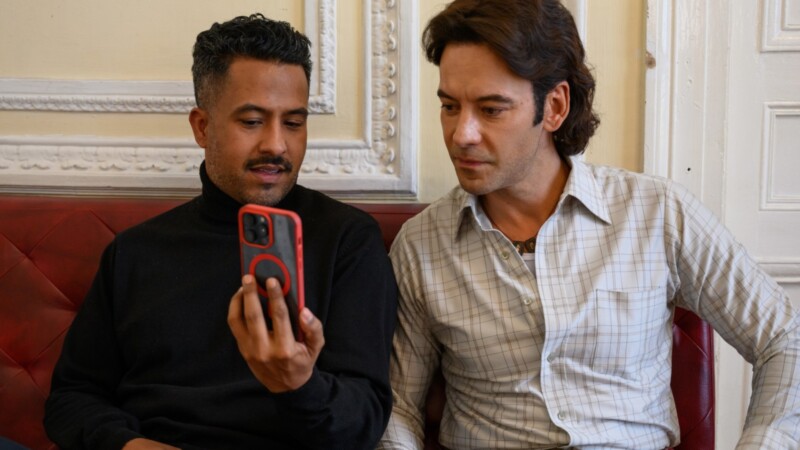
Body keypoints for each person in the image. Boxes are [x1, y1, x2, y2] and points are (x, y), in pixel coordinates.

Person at [378, 0, 800, 448]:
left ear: (555, 106)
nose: (461, 134)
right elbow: (397, 406)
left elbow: (783, 337)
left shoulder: (659, 214)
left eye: (491, 109)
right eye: (449, 106)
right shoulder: (422, 245)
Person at [44, 14, 397, 449]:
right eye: (251, 121)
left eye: (293, 122)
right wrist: (130, 446)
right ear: (202, 126)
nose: (276, 145)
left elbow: (363, 423)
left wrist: (298, 384)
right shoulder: (135, 251)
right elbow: (72, 398)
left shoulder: (347, 240)